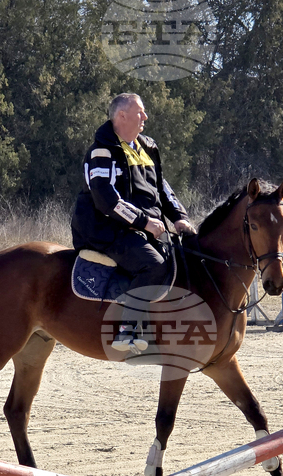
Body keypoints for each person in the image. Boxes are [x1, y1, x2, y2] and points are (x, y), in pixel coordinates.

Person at [71, 93, 194, 353]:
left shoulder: (147, 147)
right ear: (122, 116)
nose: (145, 117)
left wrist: (179, 218)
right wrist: (143, 222)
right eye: (140, 112)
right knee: (154, 265)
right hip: (104, 229)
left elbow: (162, 188)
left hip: (139, 228)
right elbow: (106, 200)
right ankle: (127, 329)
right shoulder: (102, 151)